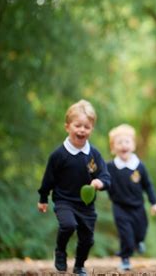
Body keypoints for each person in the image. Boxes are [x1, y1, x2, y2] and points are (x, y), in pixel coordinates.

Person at [37, 99, 111, 276]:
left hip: (86, 204)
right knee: (68, 225)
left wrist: (99, 183)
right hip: (64, 200)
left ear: (91, 129)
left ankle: (79, 265)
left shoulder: (93, 155)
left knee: (87, 239)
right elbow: (48, 179)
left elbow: (105, 176)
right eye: (77, 125)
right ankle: (60, 251)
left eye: (86, 127)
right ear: (67, 127)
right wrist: (43, 198)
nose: (82, 130)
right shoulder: (59, 155)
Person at [106, 124, 156, 271]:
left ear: (133, 145)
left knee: (141, 230)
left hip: (138, 206)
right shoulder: (110, 167)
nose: (123, 145)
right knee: (125, 234)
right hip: (120, 206)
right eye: (119, 143)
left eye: (127, 142)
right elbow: (103, 181)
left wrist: (154, 203)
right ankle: (125, 258)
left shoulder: (139, 166)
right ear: (113, 148)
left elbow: (148, 185)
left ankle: (139, 241)